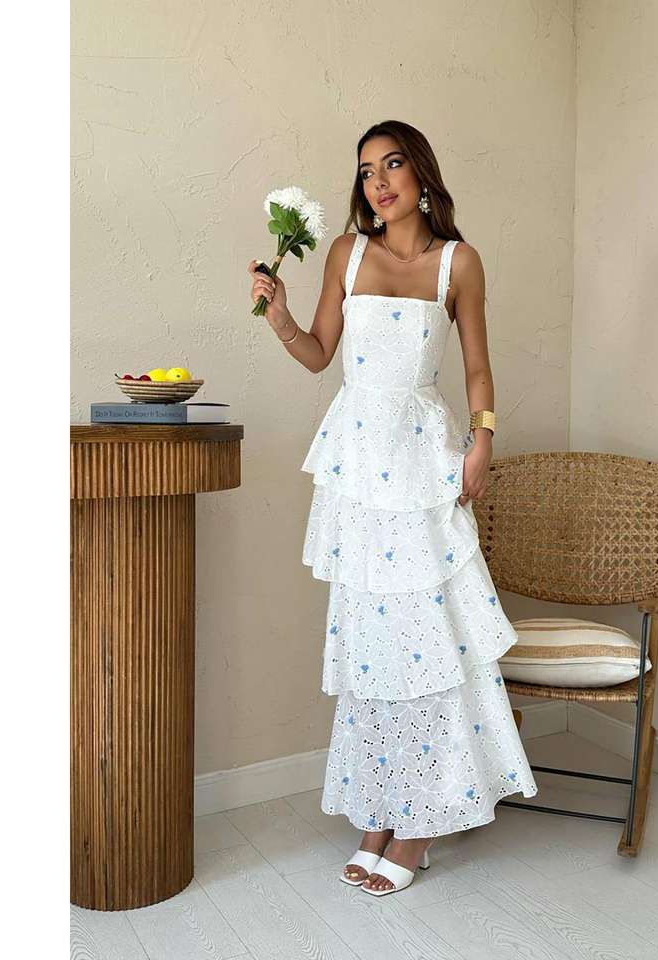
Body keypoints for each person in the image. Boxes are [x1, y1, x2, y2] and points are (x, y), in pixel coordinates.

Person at [248, 120, 537, 896]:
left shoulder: (459, 262)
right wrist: (279, 315)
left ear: (422, 173)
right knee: (373, 642)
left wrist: (483, 439)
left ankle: (421, 823)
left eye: (393, 164)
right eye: (366, 170)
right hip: (358, 465)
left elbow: (477, 369)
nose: (378, 182)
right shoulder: (346, 253)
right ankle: (380, 809)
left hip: (419, 459)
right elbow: (319, 352)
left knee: (428, 639)